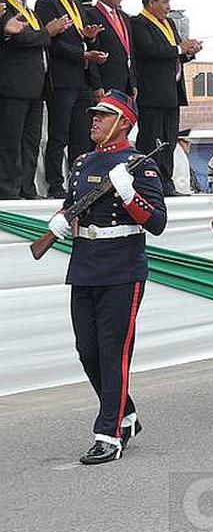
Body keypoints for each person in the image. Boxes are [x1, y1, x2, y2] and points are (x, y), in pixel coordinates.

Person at [41, 90, 166, 463]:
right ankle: (125, 412)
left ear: (124, 123)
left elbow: (156, 222)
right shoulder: (82, 163)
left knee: (113, 351)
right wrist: (63, 220)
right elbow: (73, 206)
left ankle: (108, 433)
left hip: (122, 267)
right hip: (84, 264)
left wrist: (127, 193)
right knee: (87, 350)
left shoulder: (139, 165)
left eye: (103, 116)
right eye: (94, 114)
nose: (94, 120)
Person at [0, 0, 71, 199]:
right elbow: (19, 39)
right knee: (11, 142)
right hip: (13, 86)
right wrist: (47, 32)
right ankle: (8, 191)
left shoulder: (27, 11)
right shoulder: (3, 7)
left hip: (36, 87)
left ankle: (27, 189)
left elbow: (38, 38)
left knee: (31, 142)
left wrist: (46, 32)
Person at [36, 0, 107, 198]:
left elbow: (83, 40)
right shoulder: (46, 3)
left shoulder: (76, 6)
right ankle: (55, 184)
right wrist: (84, 55)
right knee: (59, 135)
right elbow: (52, 44)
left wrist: (90, 37)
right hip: (61, 79)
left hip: (81, 80)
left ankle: (78, 182)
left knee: (81, 135)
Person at [131, 0, 201, 196]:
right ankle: (147, 182)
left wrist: (189, 51)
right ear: (151, 2)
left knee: (169, 139)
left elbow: (175, 53)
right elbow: (150, 51)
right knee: (152, 138)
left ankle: (166, 182)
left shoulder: (169, 23)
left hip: (172, 92)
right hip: (152, 93)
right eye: (165, 2)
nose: (168, 7)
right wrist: (180, 48)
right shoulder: (139, 23)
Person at [87, 0, 134, 97]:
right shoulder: (91, 14)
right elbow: (92, 51)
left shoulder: (123, 16)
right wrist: (96, 85)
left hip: (126, 84)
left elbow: (130, 51)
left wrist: (133, 82)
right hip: (106, 83)